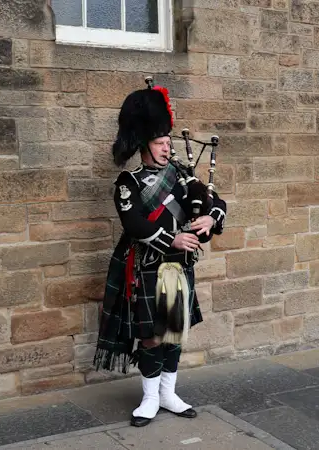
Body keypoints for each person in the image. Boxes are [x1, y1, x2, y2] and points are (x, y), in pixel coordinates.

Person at [93, 80, 227, 428]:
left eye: (169, 142)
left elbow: (217, 202)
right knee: (152, 333)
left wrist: (208, 221)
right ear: (144, 145)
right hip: (147, 266)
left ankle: (169, 394)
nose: (168, 148)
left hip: (177, 269)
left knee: (174, 331)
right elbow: (134, 223)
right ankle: (150, 398)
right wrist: (173, 240)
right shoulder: (130, 182)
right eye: (161, 142)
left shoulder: (182, 178)